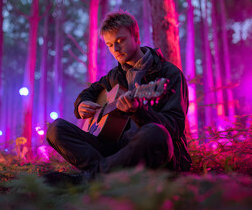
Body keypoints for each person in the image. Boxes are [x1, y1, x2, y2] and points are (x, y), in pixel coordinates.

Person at [45, 11, 192, 185]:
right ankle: (107, 175)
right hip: (119, 150)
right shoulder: (115, 76)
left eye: (120, 41)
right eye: (109, 45)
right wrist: (81, 104)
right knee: (57, 129)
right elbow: (90, 91)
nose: (115, 49)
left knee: (155, 133)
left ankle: (90, 180)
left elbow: (174, 128)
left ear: (136, 37)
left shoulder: (169, 74)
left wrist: (139, 111)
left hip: (156, 152)